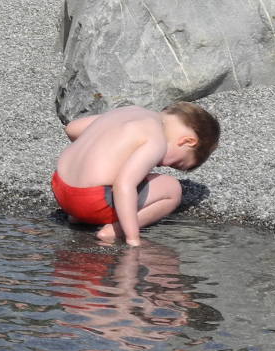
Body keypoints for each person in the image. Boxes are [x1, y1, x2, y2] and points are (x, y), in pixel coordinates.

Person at [52, 102, 221, 245]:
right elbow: (124, 185)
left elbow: (72, 128)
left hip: (61, 190)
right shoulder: (157, 140)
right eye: (176, 164)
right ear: (187, 141)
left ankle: (79, 217)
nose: (163, 165)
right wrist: (133, 238)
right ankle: (114, 230)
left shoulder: (129, 111)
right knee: (173, 189)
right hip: (93, 202)